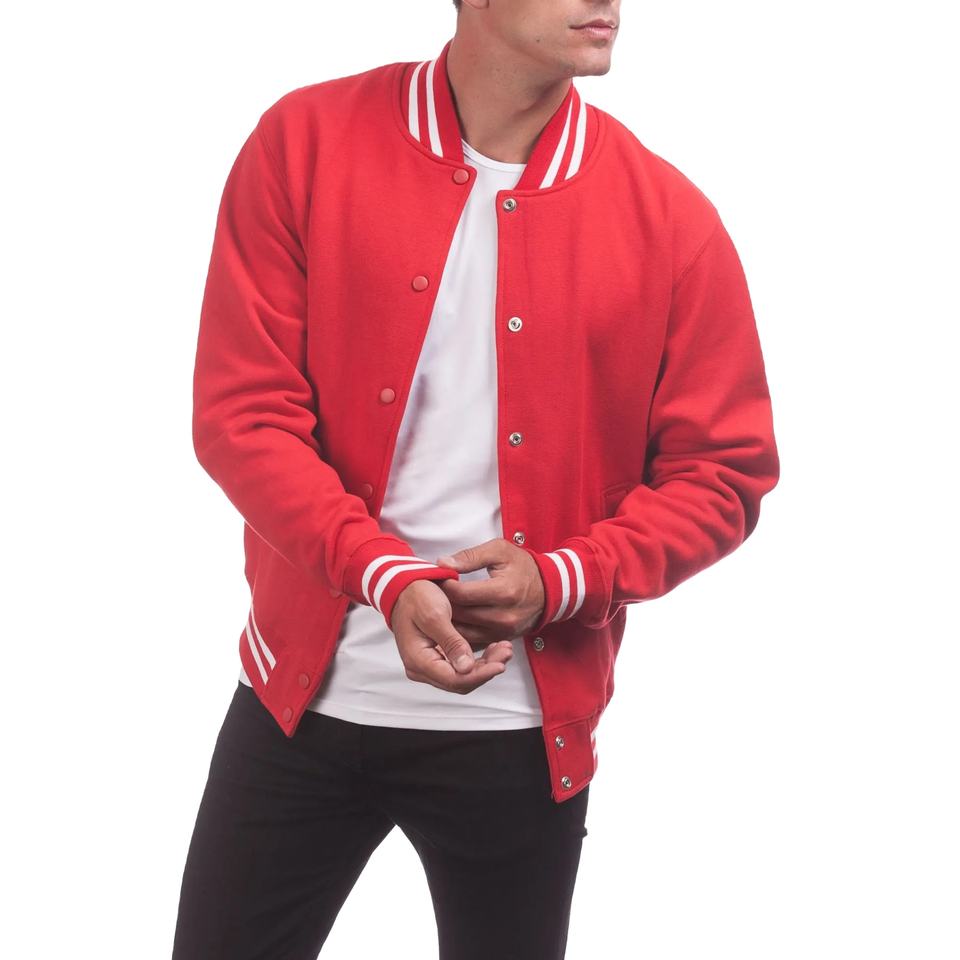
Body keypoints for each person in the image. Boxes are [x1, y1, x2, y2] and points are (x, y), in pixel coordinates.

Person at [172, 1, 780, 957]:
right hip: (299, 704)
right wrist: (383, 573)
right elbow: (243, 416)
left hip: (521, 730)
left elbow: (724, 473)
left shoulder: (671, 219)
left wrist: (560, 579)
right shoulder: (305, 144)